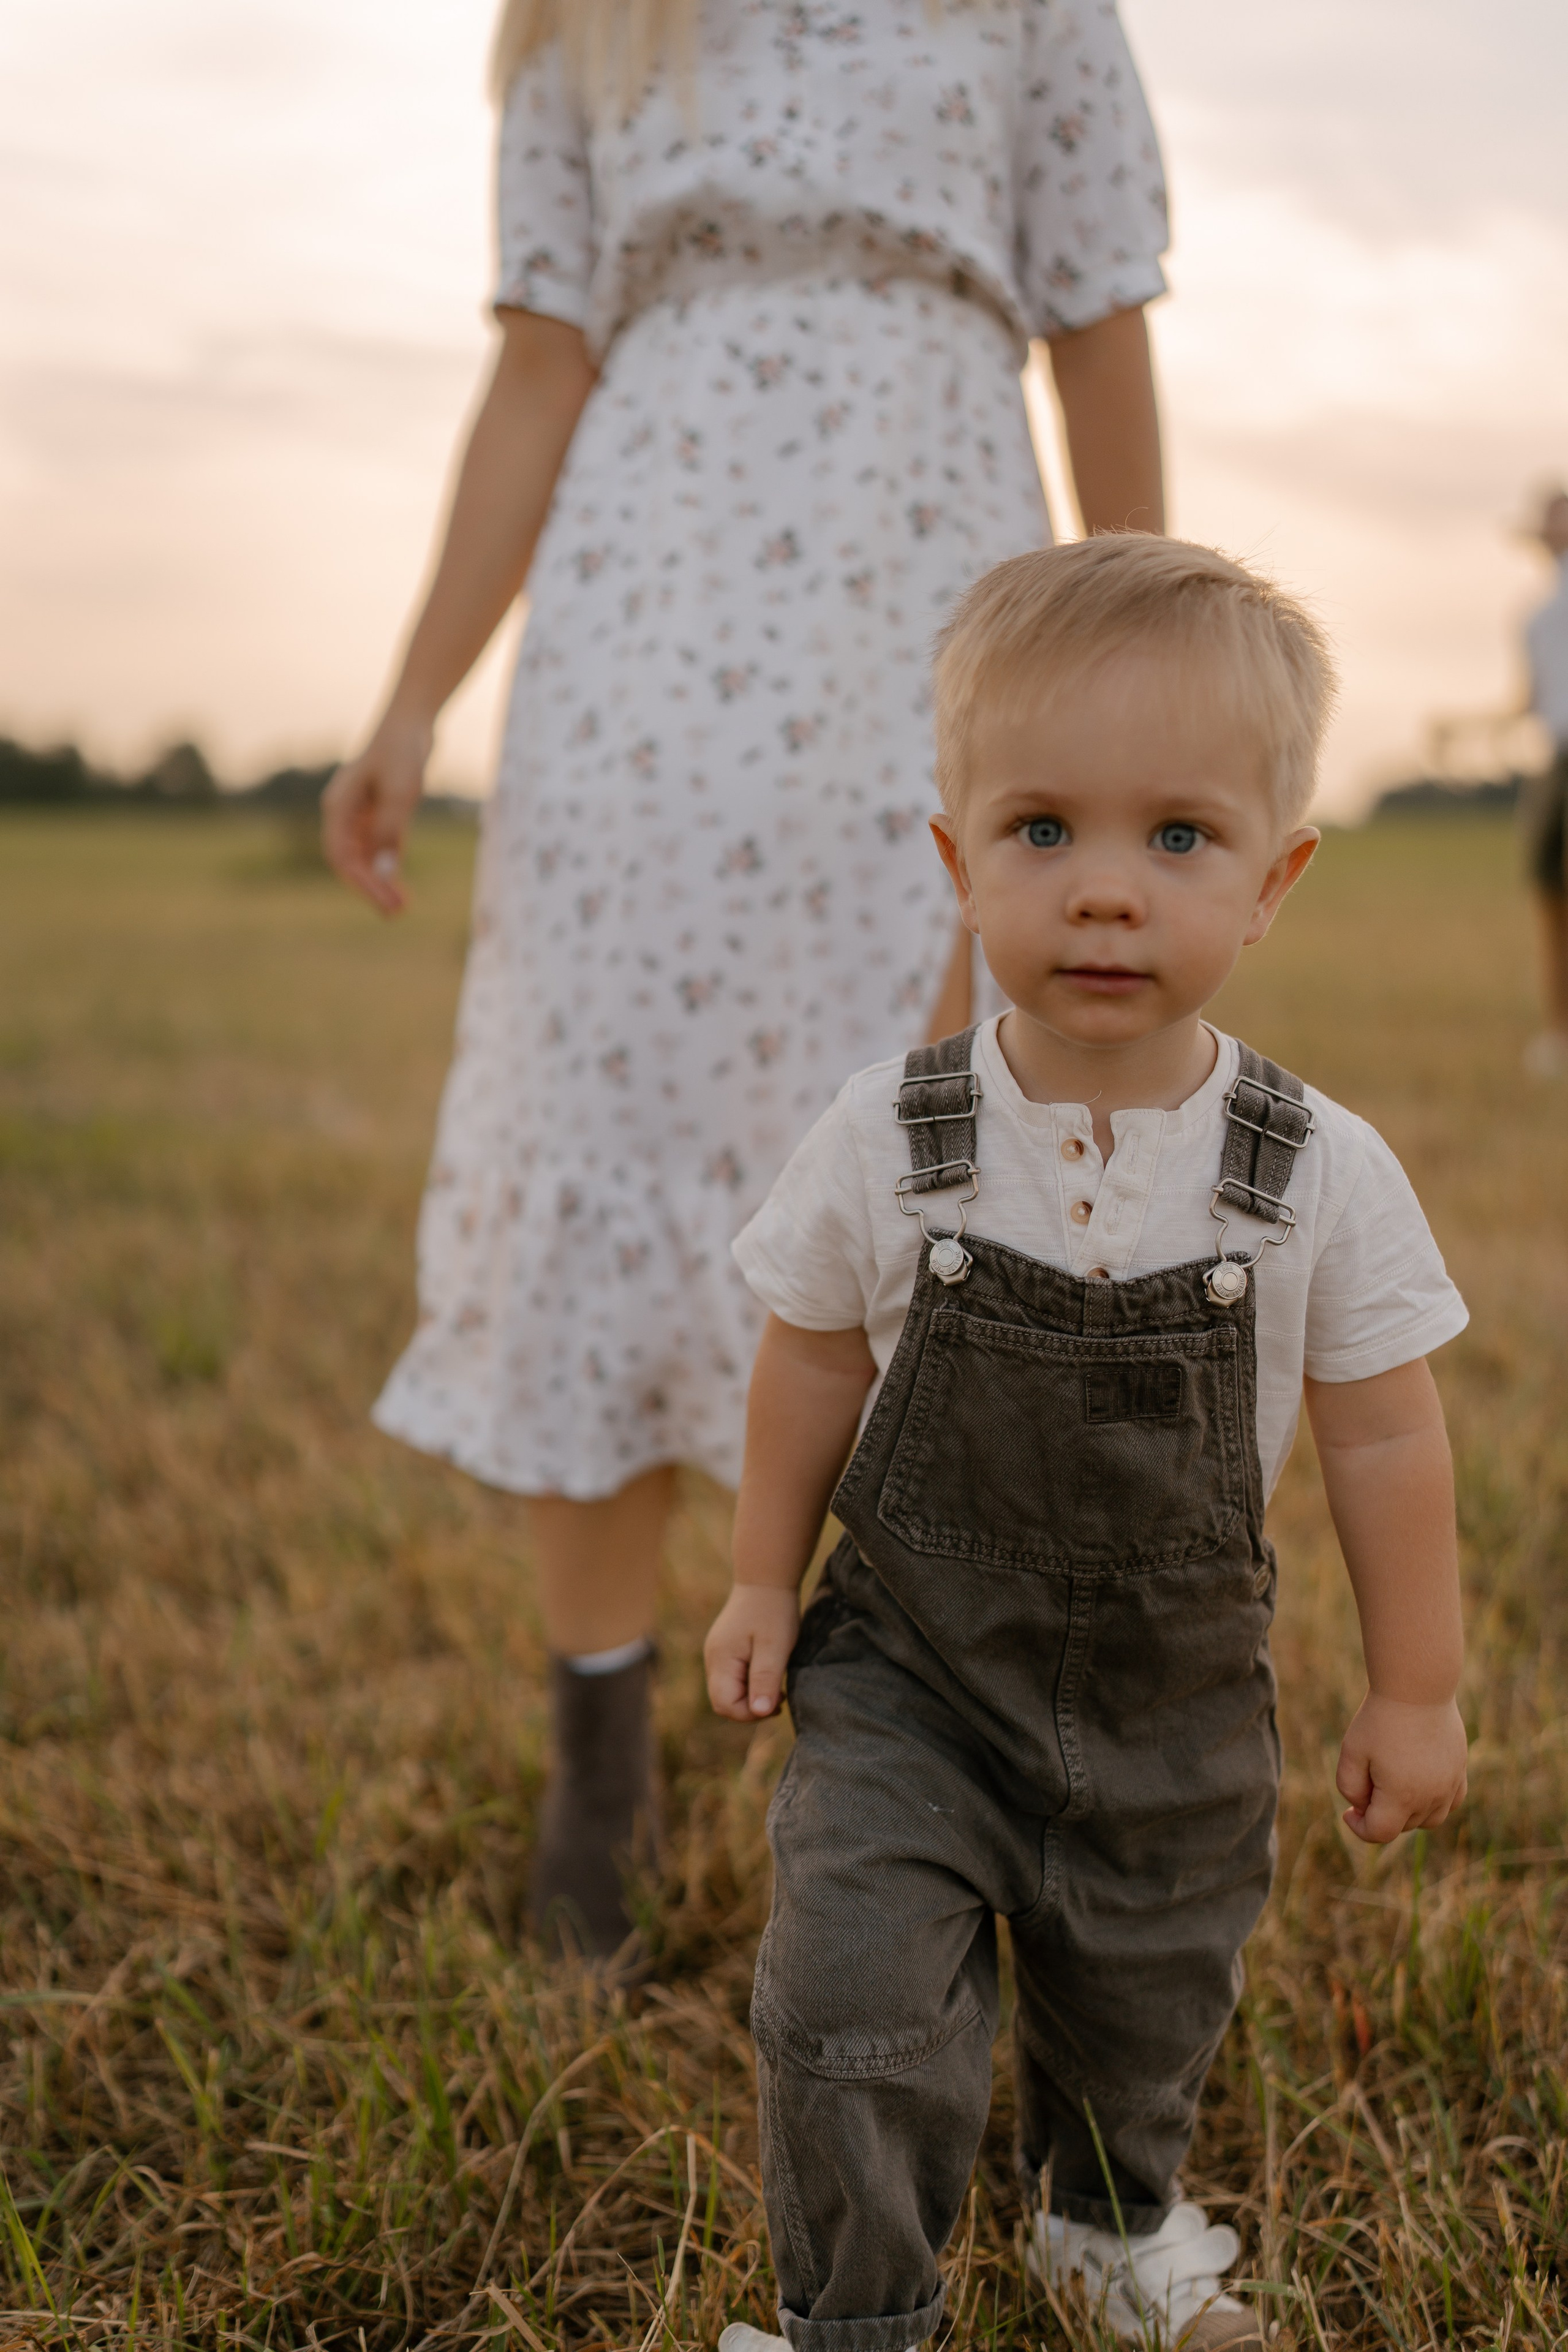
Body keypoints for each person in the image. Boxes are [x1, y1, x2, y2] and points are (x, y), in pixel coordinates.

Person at [322, 0, 1170, 1959]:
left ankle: (917, 1758)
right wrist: (410, 691)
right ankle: (597, 1761)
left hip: (940, 586)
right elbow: (539, 365)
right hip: (643, 615)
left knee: (946, 1158)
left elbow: (1100, 324)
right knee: (602, 1114)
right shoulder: (580, 15)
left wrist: (1141, 682)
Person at [706, 537, 1469, 2350]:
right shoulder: (896, 1135)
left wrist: (1414, 1685)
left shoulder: (1311, 1166)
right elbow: (810, 1355)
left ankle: (1110, 2228)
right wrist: (754, 1571)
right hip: (910, 1672)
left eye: (1175, 838)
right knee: (851, 1994)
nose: (1105, 892)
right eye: (1042, 829)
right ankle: (853, 2315)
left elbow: (1381, 1433)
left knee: (1146, 1992)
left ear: (1273, 876)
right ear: (955, 858)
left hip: (1175, 1695)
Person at [1520, 484, 1568, 1077]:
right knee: (1548, 896)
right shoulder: (1533, 617)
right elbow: (1531, 702)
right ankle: (1558, 1033)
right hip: (1555, 762)